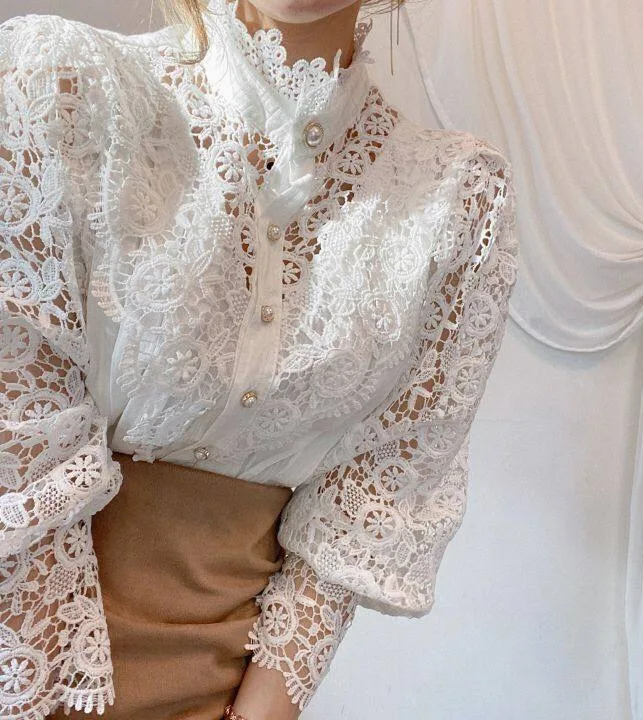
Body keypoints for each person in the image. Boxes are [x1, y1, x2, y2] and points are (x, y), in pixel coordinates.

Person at [0, 0, 519, 718]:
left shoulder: (457, 197)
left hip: (226, 690)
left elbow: (368, 494)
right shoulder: (63, 86)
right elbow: (16, 432)